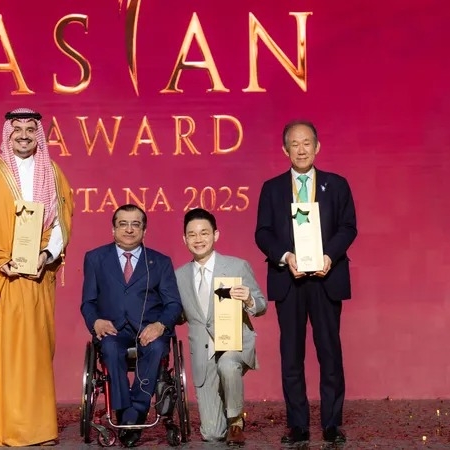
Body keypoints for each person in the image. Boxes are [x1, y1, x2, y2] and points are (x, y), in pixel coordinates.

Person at [0, 108, 74, 447]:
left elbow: (61, 222)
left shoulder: (52, 173)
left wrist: (46, 255)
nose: (23, 135)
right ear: (7, 134)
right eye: (17, 129)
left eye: (30, 129)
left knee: (33, 355)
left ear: (39, 135)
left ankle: (35, 429)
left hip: (35, 278)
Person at [254, 120, 357, 446]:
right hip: (290, 279)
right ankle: (298, 425)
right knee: (291, 355)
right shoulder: (272, 188)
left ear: (317, 147)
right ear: (285, 150)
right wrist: (286, 257)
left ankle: (331, 423)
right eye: (294, 144)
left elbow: (348, 227)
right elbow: (263, 233)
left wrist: (329, 256)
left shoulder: (336, 185)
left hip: (327, 277)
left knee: (330, 353)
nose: (301, 150)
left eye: (307, 143)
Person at [80, 204, 183, 448]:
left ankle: (135, 411)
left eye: (135, 224)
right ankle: (125, 411)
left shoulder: (160, 262)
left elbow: (173, 304)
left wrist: (160, 325)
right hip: (113, 330)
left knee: (157, 348)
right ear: (113, 229)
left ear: (144, 230)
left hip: (149, 329)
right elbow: (88, 302)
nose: (129, 229)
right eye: (123, 224)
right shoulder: (95, 258)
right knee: (110, 349)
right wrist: (96, 321)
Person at [174, 208, 267, 445]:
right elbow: (179, 315)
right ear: (184, 239)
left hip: (234, 342)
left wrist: (248, 299)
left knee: (227, 365)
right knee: (212, 433)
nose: (198, 239)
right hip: (202, 352)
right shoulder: (179, 276)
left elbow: (261, 305)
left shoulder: (237, 266)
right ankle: (226, 407)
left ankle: (235, 421)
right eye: (192, 235)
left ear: (216, 235)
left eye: (204, 233)